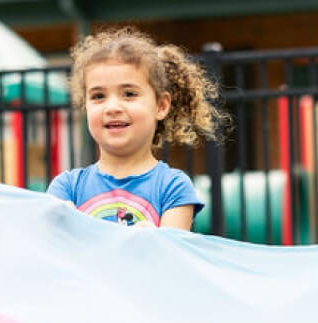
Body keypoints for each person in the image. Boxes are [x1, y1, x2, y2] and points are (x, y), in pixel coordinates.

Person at [47, 27, 227, 231]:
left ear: (161, 105)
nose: (112, 107)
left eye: (129, 94)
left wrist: (152, 242)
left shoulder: (173, 187)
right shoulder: (66, 188)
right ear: (85, 106)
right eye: (98, 96)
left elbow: (172, 256)